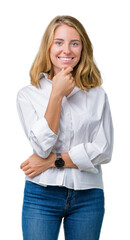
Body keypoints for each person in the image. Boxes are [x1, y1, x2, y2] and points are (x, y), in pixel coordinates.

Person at [16, 15, 114, 240]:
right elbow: (41, 147)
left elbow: (103, 150)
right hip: (41, 194)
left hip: (88, 196)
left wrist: (52, 161)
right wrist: (56, 94)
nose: (66, 50)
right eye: (59, 42)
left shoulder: (97, 95)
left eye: (74, 43)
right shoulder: (28, 95)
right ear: (48, 47)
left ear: (83, 49)